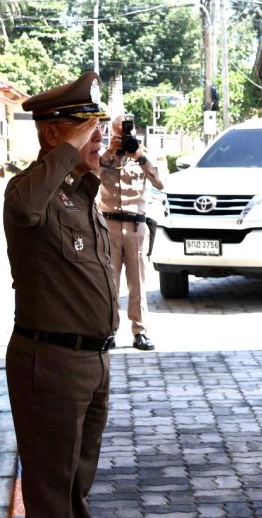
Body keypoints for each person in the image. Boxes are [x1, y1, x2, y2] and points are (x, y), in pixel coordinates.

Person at [4, 72, 125, 518]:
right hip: (50, 358)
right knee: (51, 479)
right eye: (86, 130)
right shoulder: (28, 191)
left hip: (91, 358)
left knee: (77, 477)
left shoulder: (80, 196)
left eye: (98, 130)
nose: (98, 140)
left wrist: (82, 154)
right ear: (53, 135)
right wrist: (69, 149)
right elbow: (28, 205)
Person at [98, 114, 164, 351]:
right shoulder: (104, 155)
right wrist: (110, 152)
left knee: (137, 282)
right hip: (109, 226)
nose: (125, 138)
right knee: (110, 283)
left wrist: (140, 156)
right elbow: (90, 176)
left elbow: (160, 183)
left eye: (128, 134)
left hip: (136, 226)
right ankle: (109, 331)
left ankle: (140, 331)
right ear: (112, 134)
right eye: (120, 134)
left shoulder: (142, 154)